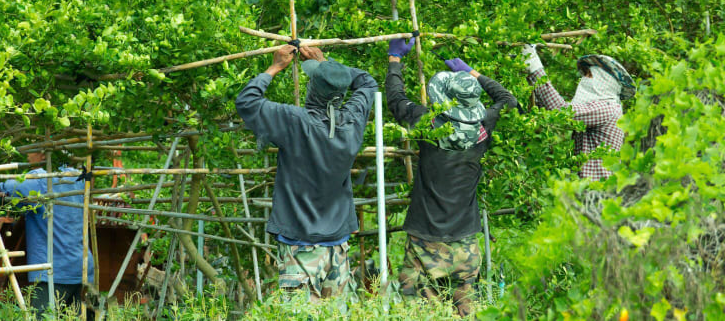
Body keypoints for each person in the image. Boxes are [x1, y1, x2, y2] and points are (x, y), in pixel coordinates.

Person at [385, 37, 518, 316]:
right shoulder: (484, 124)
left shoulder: (426, 122)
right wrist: (472, 73)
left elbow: (396, 100)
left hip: (425, 240)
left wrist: (395, 60)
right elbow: (507, 99)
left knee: (421, 310)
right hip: (466, 241)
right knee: (466, 311)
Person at [235, 44, 377, 301]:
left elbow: (247, 101)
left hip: (300, 245)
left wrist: (275, 67)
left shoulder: (295, 121)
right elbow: (367, 82)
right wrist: (327, 63)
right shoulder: (353, 120)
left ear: (313, 89)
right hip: (338, 244)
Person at [0, 151, 94, 317]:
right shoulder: (78, 178)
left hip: (54, 270)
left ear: (44, 155)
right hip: (83, 267)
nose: (28, 155)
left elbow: (8, 190)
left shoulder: (41, 180)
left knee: (42, 316)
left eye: (32, 151)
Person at [521, 45, 635, 180]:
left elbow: (560, 111)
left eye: (589, 75)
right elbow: (549, 108)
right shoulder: (606, 106)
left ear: (604, 81)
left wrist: (534, 66)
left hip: (596, 192)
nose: (584, 79)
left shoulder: (608, 108)